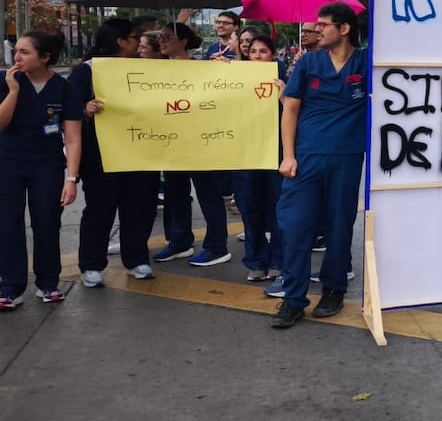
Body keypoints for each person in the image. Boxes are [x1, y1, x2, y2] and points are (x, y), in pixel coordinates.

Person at [272, 0, 374, 328]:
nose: (316, 30)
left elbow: (393, 35)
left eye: (322, 25)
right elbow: (290, 109)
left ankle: (334, 289)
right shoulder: (308, 63)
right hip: (306, 158)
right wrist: (288, 156)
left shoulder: (366, 60)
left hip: (346, 157)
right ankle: (293, 299)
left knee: (339, 226)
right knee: (295, 227)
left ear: (343, 29)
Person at [69, 19, 160, 286]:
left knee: (140, 206)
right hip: (100, 153)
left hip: (141, 148)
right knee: (100, 208)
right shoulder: (87, 70)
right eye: (134, 37)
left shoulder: (146, 68)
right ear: (120, 41)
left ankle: (137, 260)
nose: (138, 42)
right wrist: (85, 109)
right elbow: (67, 108)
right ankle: (91, 265)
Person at [0, 31, 83, 309]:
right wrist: (13, 91)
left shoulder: (64, 88)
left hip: (47, 165)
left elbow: (73, 138)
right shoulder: (7, 81)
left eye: (25, 52)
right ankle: (10, 286)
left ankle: (48, 283)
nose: (17, 57)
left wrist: (71, 179)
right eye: (16, 50)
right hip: (8, 162)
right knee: (7, 223)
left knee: (47, 222)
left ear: (45, 57)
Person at [152, 22, 231, 268]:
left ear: (183, 41)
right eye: (160, 37)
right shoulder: (155, 72)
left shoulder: (203, 69)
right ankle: (180, 241)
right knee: (175, 194)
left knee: (208, 195)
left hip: (200, 142)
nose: (161, 41)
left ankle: (217, 247)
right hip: (171, 143)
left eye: (167, 37)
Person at [235, 34, 286, 283]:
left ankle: (278, 260)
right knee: (250, 207)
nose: (257, 56)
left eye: (263, 51)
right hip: (246, 154)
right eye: (253, 51)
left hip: (276, 153)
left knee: (278, 209)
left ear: (272, 54)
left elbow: (296, 113)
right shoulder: (234, 79)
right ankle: (255, 261)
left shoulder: (284, 80)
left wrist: (284, 95)